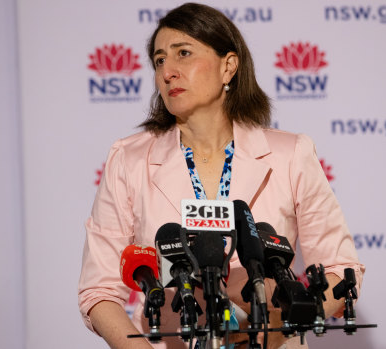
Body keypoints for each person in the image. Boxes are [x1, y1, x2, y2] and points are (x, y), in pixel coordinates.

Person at [78, 3, 365, 348]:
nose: (168, 71)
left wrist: (281, 323)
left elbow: (339, 269)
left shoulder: (291, 154)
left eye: (183, 53)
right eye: (159, 60)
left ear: (228, 66)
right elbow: (99, 289)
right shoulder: (128, 159)